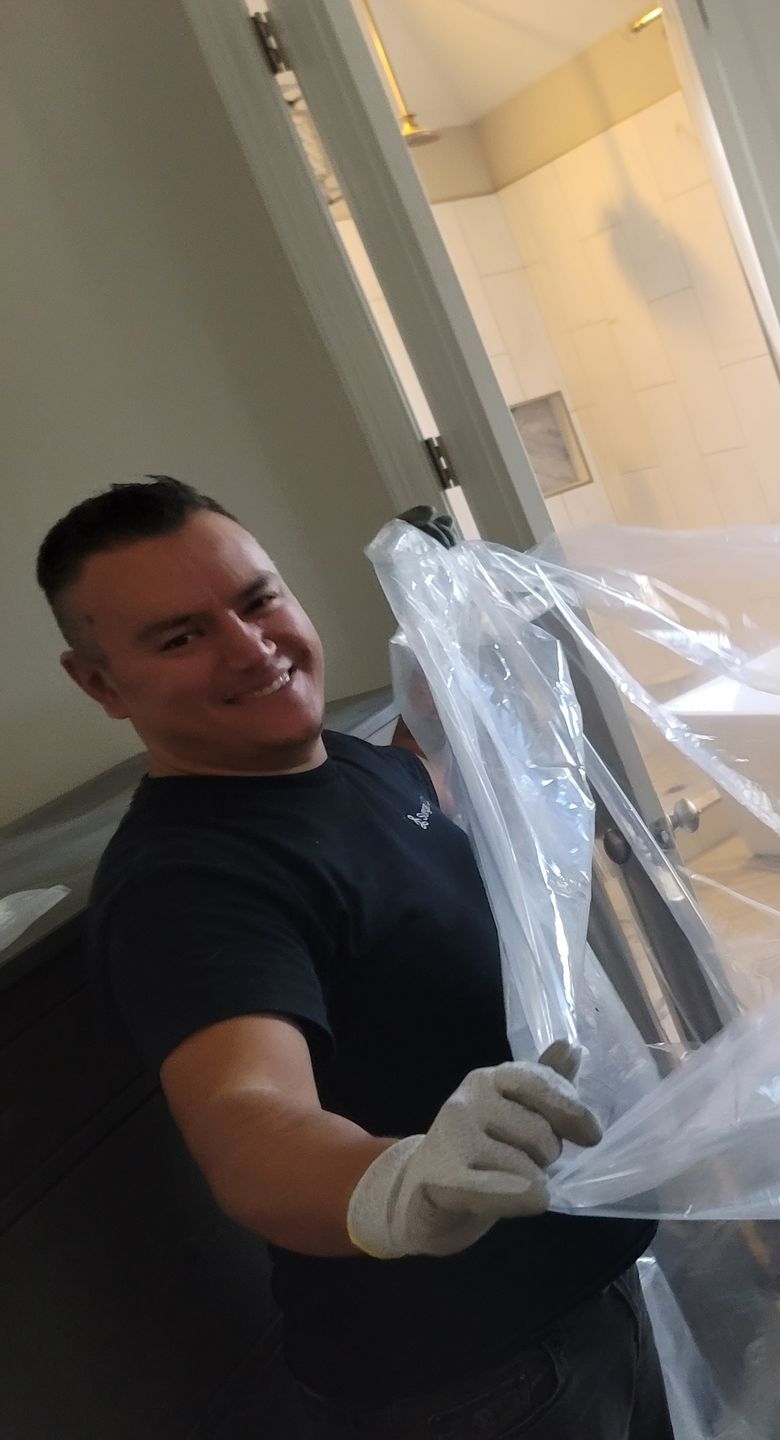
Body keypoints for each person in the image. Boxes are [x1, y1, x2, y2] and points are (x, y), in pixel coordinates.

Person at [36, 478, 672, 1438]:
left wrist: (458, 662)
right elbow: (250, 1118)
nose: (251, 648)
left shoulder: (348, 762)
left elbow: (418, 805)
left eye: (258, 602)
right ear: (98, 682)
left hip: (580, 1301)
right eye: (180, 637)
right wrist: (398, 1182)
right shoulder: (190, 886)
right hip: (473, 1381)